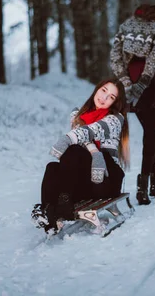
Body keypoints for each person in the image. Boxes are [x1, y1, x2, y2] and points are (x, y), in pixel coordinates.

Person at [31, 77, 130, 234]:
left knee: (74, 149)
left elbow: (90, 131)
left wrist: (68, 138)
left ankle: (61, 206)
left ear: (115, 103)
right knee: (52, 167)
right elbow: (83, 138)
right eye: (104, 90)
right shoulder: (80, 115)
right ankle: (49, 217)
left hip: (106, 177)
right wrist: (92, 149)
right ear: (97, 89)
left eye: (111, 97)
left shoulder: (115, 119)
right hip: (87, 178)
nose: (104, 98)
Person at [110, 0, 155, 206]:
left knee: (150, 132)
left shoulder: (127, 26)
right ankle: (144, 188)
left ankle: (154, 186)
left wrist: (128, 83)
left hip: (133, 80)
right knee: (151, 134)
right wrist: (141, 83)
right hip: (151, 83)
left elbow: (115, 57)